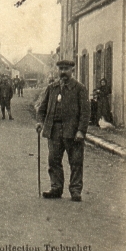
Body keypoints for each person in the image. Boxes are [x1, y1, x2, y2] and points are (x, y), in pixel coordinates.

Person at [36, 60, 90, 201]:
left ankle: (75, 190)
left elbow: (85, 113)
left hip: (73, 132)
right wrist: (40, 122)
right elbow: (42, 108)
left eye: (66, 69)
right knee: (53, 160)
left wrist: (81, 131)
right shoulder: (52, 88)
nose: (63, 72)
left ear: (72, 70)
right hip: (54, 131)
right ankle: (56, 188)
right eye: (61, 69)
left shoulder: (80, 89)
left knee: (76, 161)